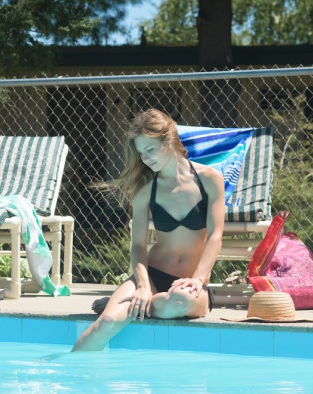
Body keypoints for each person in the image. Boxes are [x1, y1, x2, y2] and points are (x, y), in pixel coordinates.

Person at [72, 109, 225, 351]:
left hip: (190, 283)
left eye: (150, 149)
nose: (146, 158)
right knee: (108, 321)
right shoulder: (146, 190)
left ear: (169, 140)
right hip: (152, 275)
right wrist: (143, 285)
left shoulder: (209, 179)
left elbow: (216, 236)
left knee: (180, 301)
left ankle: (127, 304)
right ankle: (67, 375)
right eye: (141, 153)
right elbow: (138, 246)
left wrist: (198, 278)